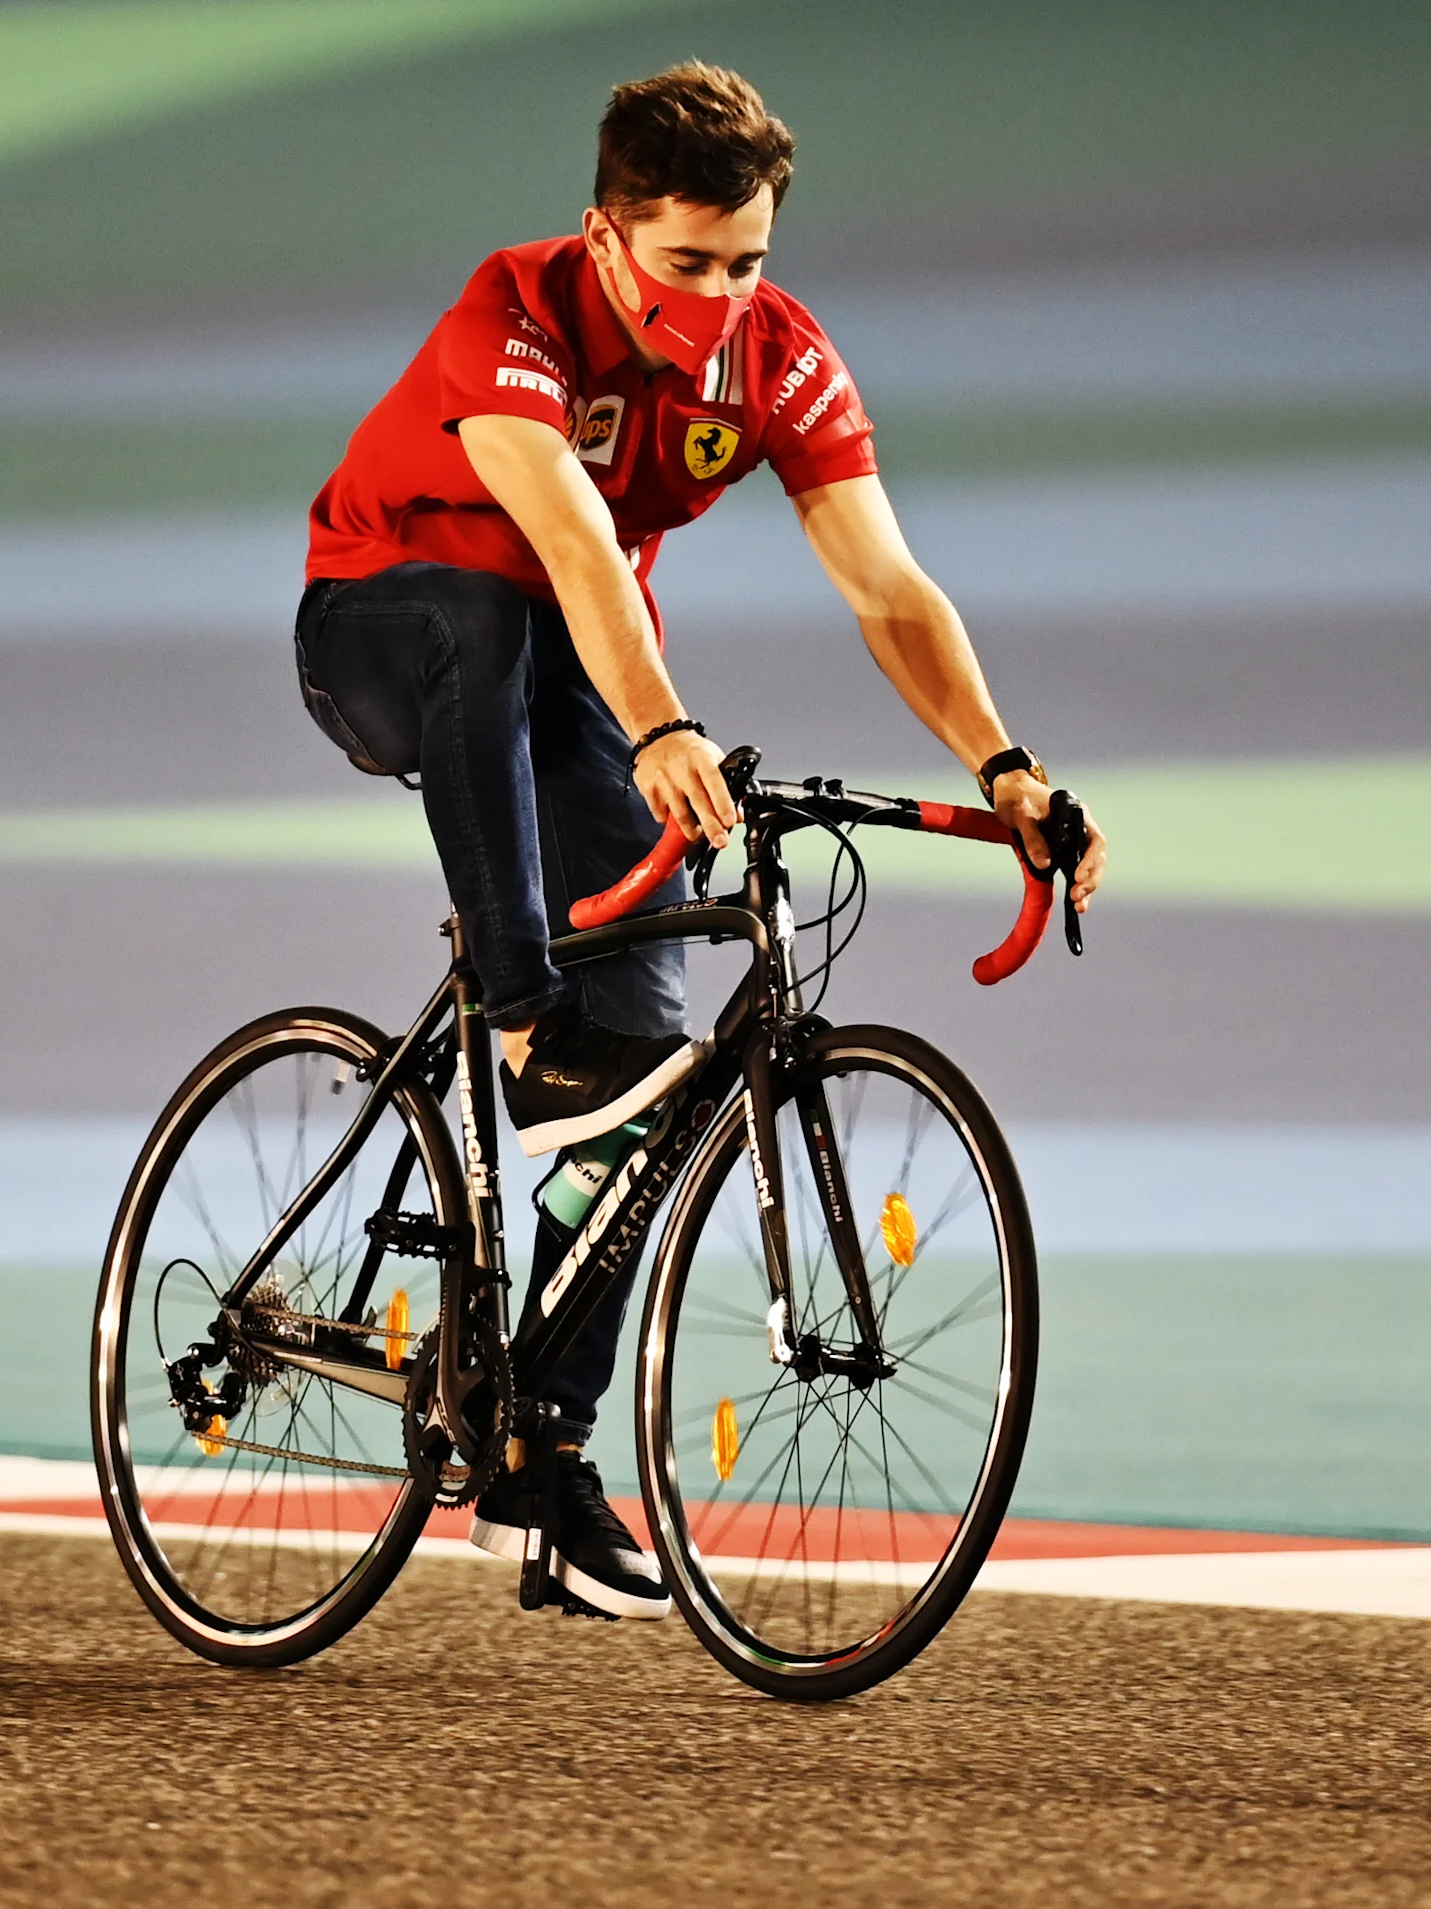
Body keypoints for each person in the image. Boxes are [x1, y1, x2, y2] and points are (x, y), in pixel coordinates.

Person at [293, 61, 1108, 1618]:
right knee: (489, 621)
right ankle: (522, 1018)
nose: (723, 296)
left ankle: (541, 1459)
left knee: (655, 1067)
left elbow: (887, 585)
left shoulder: (777, 359)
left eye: (749, 261)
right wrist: (665, 732)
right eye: (689, 264)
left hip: (575, 683)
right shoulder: (510, 317)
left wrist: (1006, 767)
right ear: (605, 237)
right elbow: (579, 550)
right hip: (386, 629)